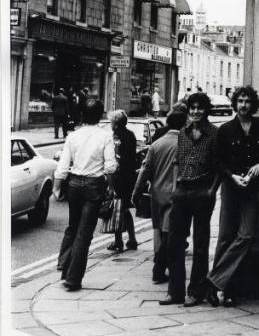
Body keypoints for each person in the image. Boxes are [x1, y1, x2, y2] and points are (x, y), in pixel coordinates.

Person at [206, 86, 259, 307]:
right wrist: (231, 176)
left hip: (250, 190)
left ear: (253, 104)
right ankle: (228, 290)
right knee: (226, 237)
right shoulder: (225, 130)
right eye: (240, 101)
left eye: (247, 101)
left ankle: (213, 282)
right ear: (235, 104)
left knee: (246, 235)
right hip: (230, 188)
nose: (244, 105)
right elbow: (217, 161)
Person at [159, 92, 219, 307]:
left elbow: (219, 166)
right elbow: (177, 161)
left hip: (203, 191)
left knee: (200, 245)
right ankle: (175, 292)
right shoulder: (182, 133)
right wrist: (175, 188)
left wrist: (212, 190)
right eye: (192, 108)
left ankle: (196, 292)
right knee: (174, 242)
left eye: (199, 108)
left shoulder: (214, 134)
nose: (195, 112)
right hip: (182, 191)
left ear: (206, 110)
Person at [53, 99, 117, 291]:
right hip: (93, 185)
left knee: (72, 227)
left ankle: (64, 266)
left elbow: (63, 165)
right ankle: (72, 279)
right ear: (101, 115)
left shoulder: (73, 136)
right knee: (84, 233)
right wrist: (111, 188)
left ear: (82, 114)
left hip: (73, 184)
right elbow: (110, 166)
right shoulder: (105, 137)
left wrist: (57, 187)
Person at [133, 108, 188, 283]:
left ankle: (161, 267)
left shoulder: (156, 144)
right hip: (176, 193)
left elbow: (145, 170)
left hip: (157, 194)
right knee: (169, 234)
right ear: (184, 123)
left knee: (161, 232)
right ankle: (159, 269)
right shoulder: (185, 143)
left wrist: (136, 193)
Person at [106, 110, 138, 253]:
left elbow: (116, 159)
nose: (110, 124)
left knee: (117, 209)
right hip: (129, 176)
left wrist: (111, 183)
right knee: (124, 209)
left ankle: (119, 241)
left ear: (116, 124)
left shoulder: (116, 137)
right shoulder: (131, 135)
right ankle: (131, 238)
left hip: (119, 177)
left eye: (111, 122)